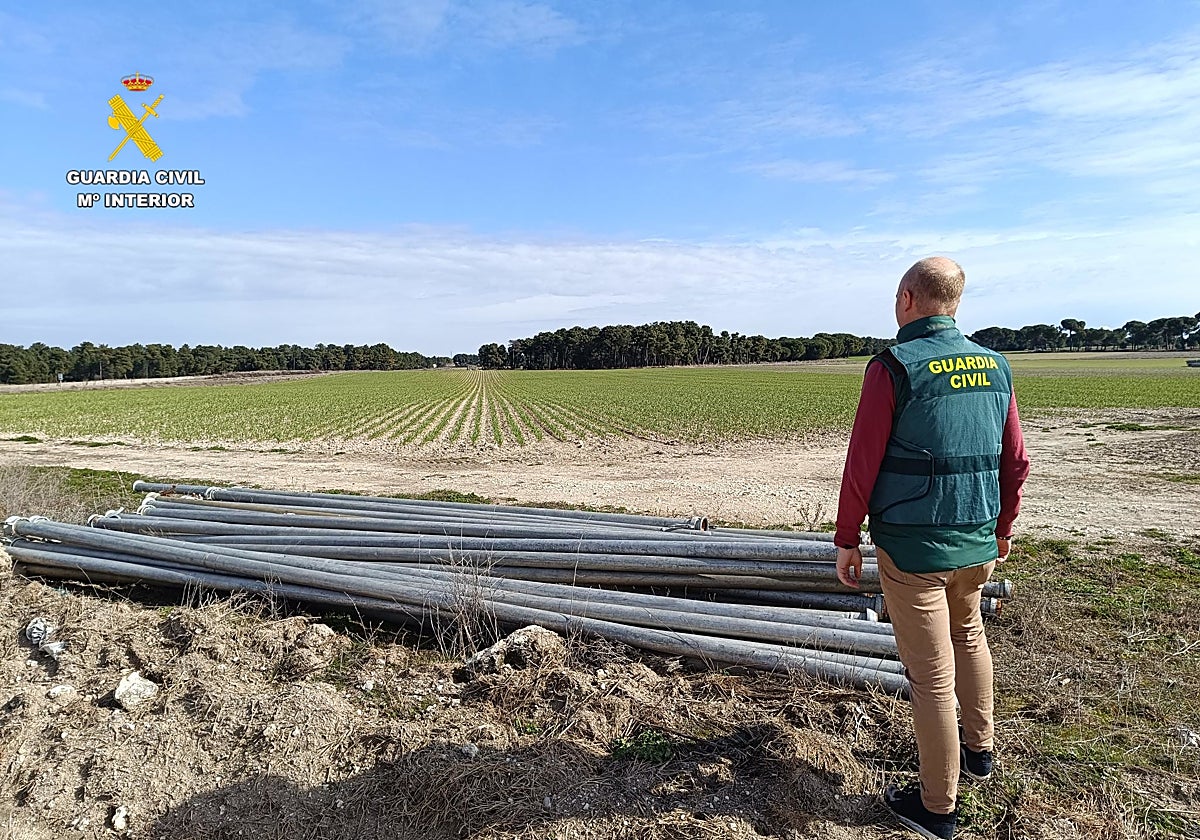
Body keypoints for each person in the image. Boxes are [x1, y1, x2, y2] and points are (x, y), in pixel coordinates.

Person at [834, 257, 1031, 840]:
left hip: (914, 549)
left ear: (906, 299)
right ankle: (980, 753)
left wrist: (848, 538)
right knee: (969, 635)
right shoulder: (995, 366)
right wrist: (1003, 527)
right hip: (977, 540)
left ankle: (937, 808)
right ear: (957, 303)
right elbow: (1015, 460)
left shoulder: (893, 366)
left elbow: (862, 461)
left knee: (930, 678)